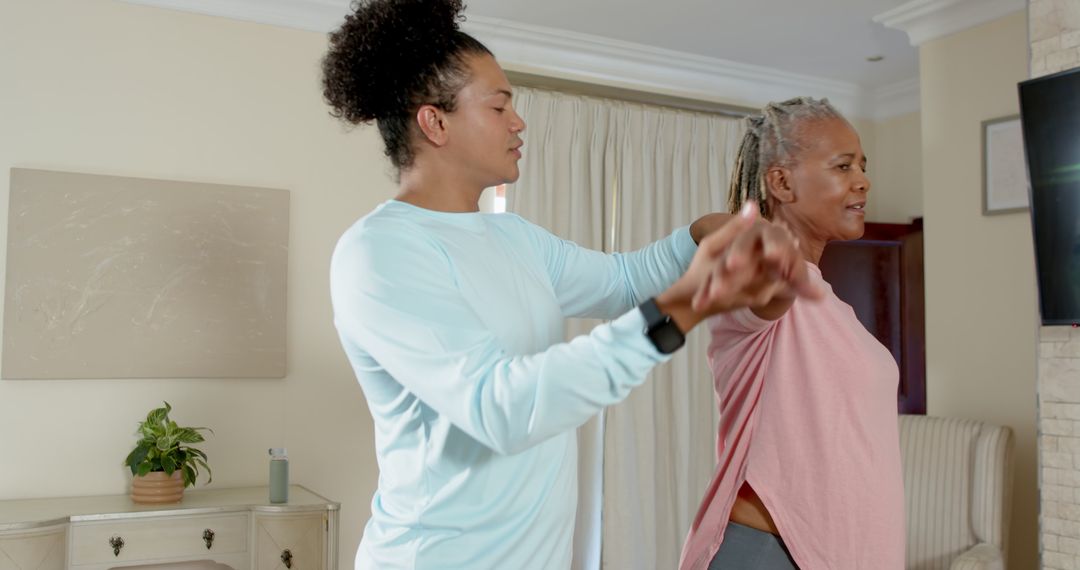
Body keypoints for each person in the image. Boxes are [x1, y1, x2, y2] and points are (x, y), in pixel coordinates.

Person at [322, 1, 822, 569]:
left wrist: (699, 236)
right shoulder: (380, 252)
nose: (518, 122)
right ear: (435, 122)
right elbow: (502, 409)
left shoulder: (514, 239)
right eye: (499, 105)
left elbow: (623, 280)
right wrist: (688, 303)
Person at [679, 97, 906, 570]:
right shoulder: (756, 283)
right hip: (772, 555)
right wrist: (712, 229)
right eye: (843, 166)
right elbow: (731, 243)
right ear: (781, 182)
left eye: (863, 166)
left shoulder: (830, 305)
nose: (863, 181)